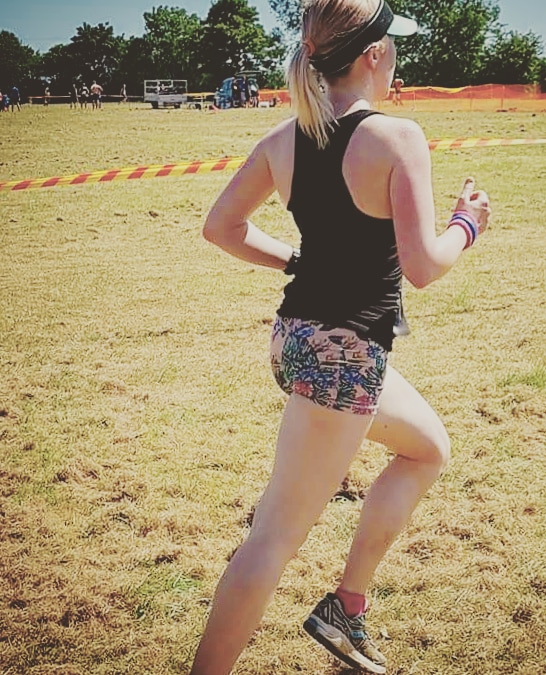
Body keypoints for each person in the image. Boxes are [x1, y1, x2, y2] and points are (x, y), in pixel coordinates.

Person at [189, 1, 490, 674]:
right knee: (271, 541)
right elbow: (423, 266)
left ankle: (346, 606)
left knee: (428, 449)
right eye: (394, 46)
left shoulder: (284, 137)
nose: (398, 56)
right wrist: (465, 225)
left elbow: (221, 227)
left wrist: (295, 261)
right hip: (343, 356)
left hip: (297, 342)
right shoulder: (397, 137)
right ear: (374, 55)